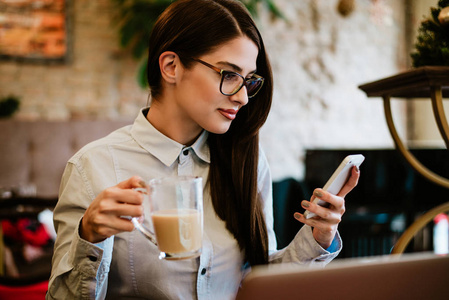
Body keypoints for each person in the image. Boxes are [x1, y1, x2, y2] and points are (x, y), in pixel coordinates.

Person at [46, 0, 360, 299]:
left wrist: (319, 237)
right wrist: (89, 236)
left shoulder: (246, 161)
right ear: (171, 66)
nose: (242, 97)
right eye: (229, 74)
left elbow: (259, 281)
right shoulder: (93, 166)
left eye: (248, 80)